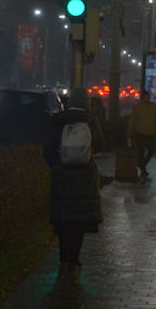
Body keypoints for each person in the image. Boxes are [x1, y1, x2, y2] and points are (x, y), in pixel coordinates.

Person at [42, 87, 103, 277]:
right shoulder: (91, 122)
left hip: (63, 177)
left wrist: (57, 165)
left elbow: (48, 150)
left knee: (63, 220)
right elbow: (101, 143)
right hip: (85, 178)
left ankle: (63, 257)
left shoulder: (59, 121)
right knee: (79, 221)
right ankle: (75, 259)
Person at [128, 89, 156, 180]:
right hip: (139, 132)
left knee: (151, 149)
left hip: (150, 132)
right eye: (145, 97)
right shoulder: (138, 108)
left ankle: (142, 165)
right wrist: (129, 132)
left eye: (148, 97)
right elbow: (132, 120)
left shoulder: (153, 107)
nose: (147, 99)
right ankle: (143, 169)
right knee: (141, 151)